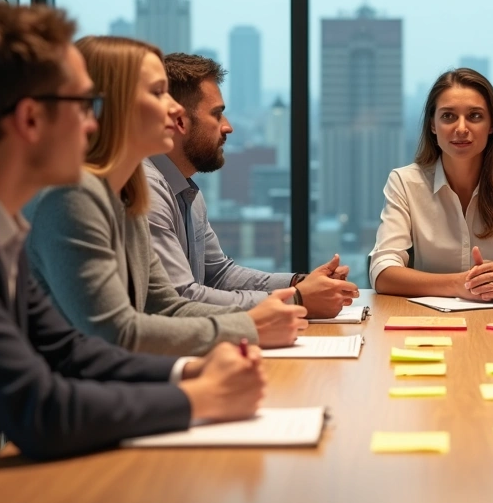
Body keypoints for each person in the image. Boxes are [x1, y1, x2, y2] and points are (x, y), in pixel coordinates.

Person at [0, 4, 266, 503]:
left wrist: (188, 374)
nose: (93, 125)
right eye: (83, 104)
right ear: (30, 119)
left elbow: (69, 351)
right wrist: (196, 398)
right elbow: (37, 410)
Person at [25, 37, 307, 354]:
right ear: (114, 105)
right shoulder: (72, 197)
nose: (175, 109)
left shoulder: (129, 191)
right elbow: (116, 333)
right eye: (158, 93)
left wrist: (264, 316)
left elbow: (167, 307)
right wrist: (252, 325)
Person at [144, 53, 357, 318]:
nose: (228, 127)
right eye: (217, 114)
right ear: (179, 121)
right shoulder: (148, 191)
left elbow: (219, 274)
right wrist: (297, 299)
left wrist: (300, 283)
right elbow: (181, 298)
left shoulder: (186, 191)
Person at [369, 67, 493, 300]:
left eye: (475, 116)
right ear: (433, 125)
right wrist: (456, 284)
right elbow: (383, 272)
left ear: (492, 125)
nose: (461, 128)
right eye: (448, 116)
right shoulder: (405, 182)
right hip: (428, 319)